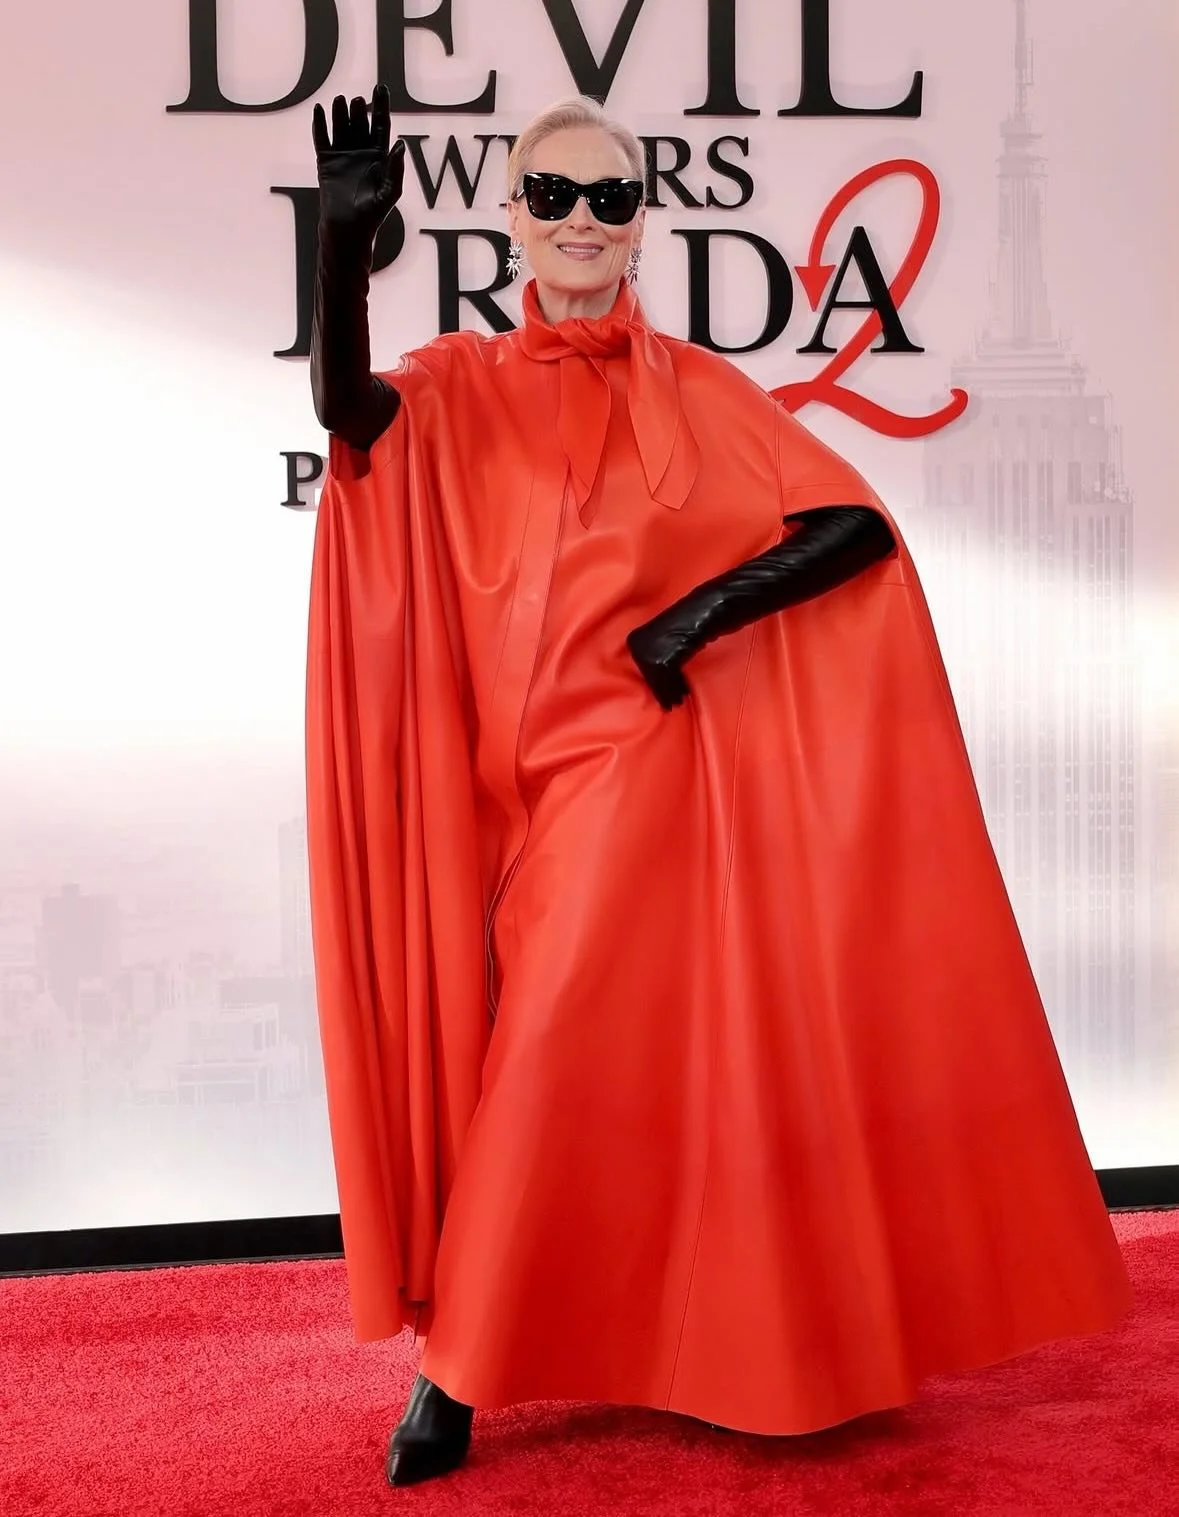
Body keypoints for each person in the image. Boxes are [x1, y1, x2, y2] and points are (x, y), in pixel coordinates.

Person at [303, 87, 1132, 1488]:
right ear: (510, 217)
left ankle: (454, 1380)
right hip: (494, 790)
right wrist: (333, 259)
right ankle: (650, 1328)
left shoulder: (694, 387)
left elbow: (847, 525)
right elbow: (347, 409)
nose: (581, 218)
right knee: (573, 1062)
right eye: (553, 194)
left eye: (609, 197)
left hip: (642, 768)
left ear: (641, 226)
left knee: (558, 1040)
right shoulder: (457, 383)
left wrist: (691, 624)